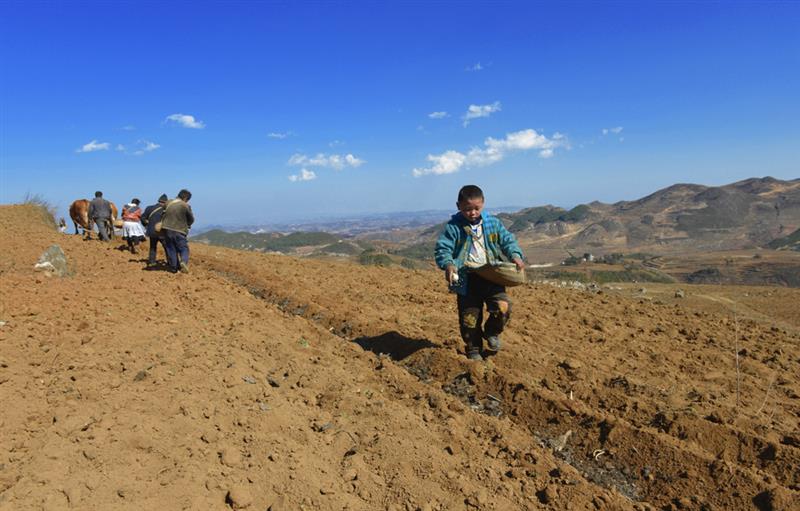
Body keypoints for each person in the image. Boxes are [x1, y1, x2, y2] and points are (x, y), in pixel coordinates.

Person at [434, 185, 525, 361]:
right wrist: (448, 264)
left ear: (483, 204)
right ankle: (474, 350)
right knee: (469, 319)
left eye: (476, 208)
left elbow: (507, 240)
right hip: (467, 279)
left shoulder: (493, 223)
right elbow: (443, 249)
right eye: (467, 209)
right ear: (458, 206)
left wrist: (515, 255)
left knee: (502, 307)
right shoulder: (453, 227)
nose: (472, 213)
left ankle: (492, 332)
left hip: (491, 275)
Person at [161, 189, 194, 273]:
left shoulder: (168, 202)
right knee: (184, 248)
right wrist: (188, 224)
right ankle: (183, 261)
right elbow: (191, 219)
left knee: (171, 248)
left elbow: (163, 213)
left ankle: (174, 268)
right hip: (179, 230)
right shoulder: (185, 205)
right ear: (186, 198)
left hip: (166, 229)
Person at [141, 194, 169, 267]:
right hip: (162, 232)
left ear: (159, 200)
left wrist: (147, 225)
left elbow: (143, 218)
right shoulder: (166, 209)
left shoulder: (149, 208)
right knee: (167, 247)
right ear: (165, 202)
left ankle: (152, 262)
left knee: (153, 247)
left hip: (152, 231)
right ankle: (170, 262)